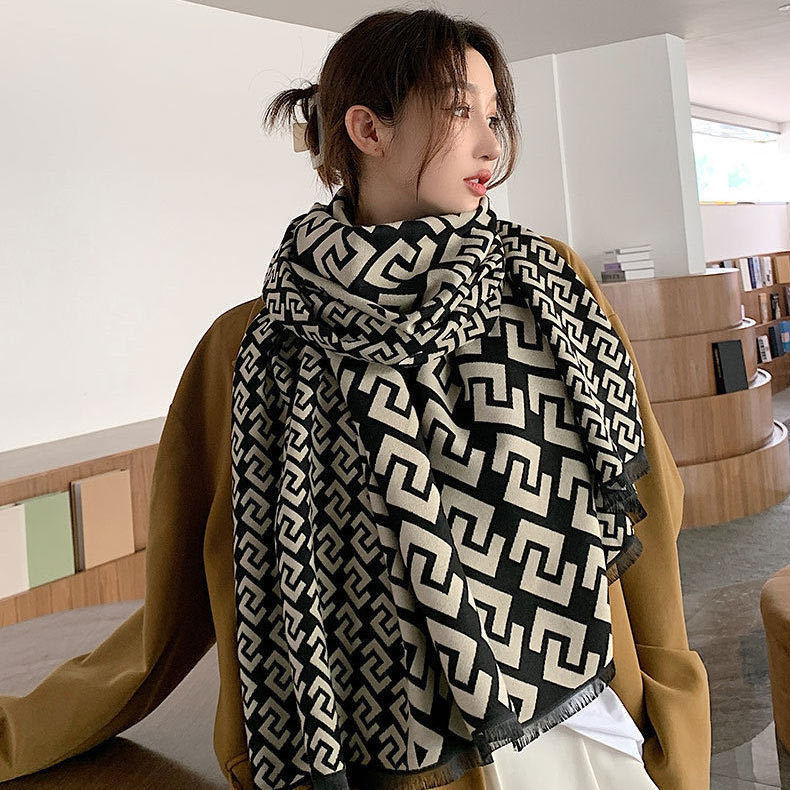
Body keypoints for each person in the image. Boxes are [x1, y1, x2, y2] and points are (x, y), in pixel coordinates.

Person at [0, 8, 710, 790]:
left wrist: (675, 722)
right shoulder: (253, 347)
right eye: (460, 111)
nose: (490, 146)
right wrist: (21, 735)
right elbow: (180, 601)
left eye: (495, 116)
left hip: (584, 729)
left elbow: (646, 509)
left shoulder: (550, 288)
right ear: (369, 130)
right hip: (387, 763)